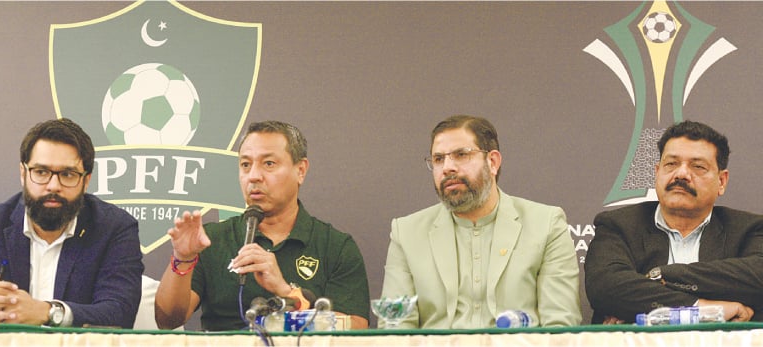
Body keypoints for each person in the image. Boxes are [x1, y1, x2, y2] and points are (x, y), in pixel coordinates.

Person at [155, 120, 370, 331]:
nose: (254, 176)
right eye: (245, 165)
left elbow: (356, 329)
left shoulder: (336, 246)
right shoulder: (212, 239)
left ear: (301, 170)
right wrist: (182, 259)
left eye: (269, 164)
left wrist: (285, 291)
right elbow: (167, 321)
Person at [380, 114, 581, 329]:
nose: (447, 167)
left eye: (461, 155)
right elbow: (395, 327)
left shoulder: (546, 224)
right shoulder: (406, 232)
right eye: (438, 159)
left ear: (492, 162)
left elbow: (560, 326)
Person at [0, 118, 144, 328]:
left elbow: (120, 312)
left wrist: (47, 312)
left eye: (67, 174)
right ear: (23, 174)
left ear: (86, 181)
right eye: (41, 172)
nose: (53, 185)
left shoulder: (114, 229)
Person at [585, 120, 763, 324]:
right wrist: (702, 308)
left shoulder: (749, 229)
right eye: (671, 164)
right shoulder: (618, 225)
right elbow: (605, 287)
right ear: (657, 173)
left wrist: (663, 275)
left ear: (721, 182)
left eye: (698, 166)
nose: (681, 174)